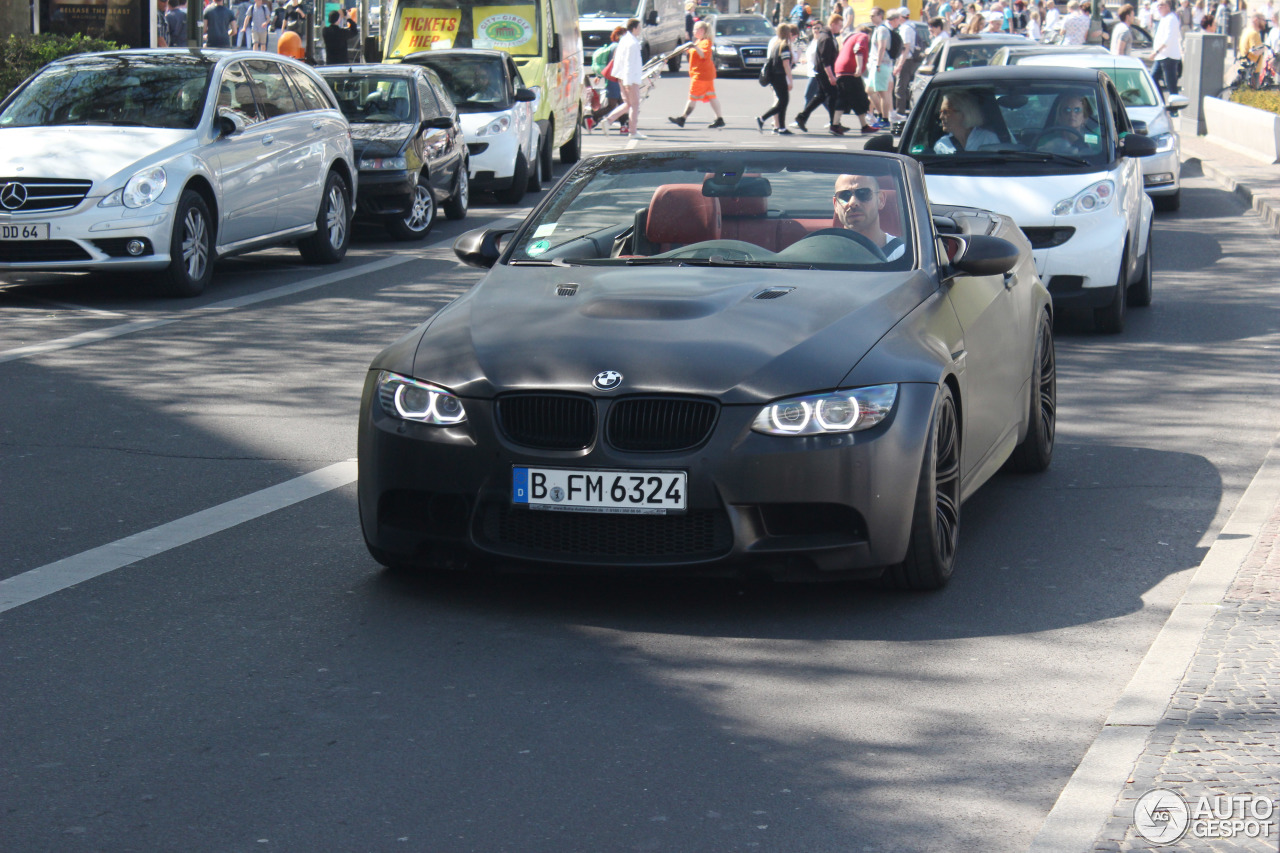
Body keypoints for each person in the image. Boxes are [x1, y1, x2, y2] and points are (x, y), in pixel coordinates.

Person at [832, 173, 906, 260]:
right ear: (836, 205)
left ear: (881, 200)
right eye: (844, 196)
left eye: (863, 193)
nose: (852, 202)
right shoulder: (824, 253)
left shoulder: (902, 255)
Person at [792, 14, 843, 132]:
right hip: (825, 72)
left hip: (822, 72)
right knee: (832, 96)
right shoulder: (826, 38)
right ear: (833, 24)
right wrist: (831, 76)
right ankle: (834, 124)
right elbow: (825, 60)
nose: (840, 28)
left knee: (821, 96)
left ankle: (803, 117)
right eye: (839, 25)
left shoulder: (827, 36)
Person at [669, 20, 726, 127]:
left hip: (701, 75)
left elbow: (703, 54)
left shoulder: (705, 42)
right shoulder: (699, 41)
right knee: (711, 96)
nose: (693, 31)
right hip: (704, 74)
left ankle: (682, 118)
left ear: (702, 30)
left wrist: (693, 46)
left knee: (692, 97)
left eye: (695, 29)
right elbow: (689, 50)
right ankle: (719, 119)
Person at [603, 18, 645, 137]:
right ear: (635, 28)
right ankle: (633, 131)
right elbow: (629, 63)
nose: (640, 30)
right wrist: (628, 81)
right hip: (630, 78)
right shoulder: (632, 43)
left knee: (628, 103)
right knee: (634, 104)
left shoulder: (624, 41)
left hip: (623, 77)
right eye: (639, 27)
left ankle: (608, 121)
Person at [833, 21, 876, 132]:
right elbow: (858, 49)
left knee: (848, 97)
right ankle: (836, 125)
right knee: (856, 97)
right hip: (850, 71)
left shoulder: (850, 37)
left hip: (841, 69)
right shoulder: (863, 36)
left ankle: (837, 124)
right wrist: (859, 66)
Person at [758, 22, 796, 133]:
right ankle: (762, 118)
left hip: (774, 77)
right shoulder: (784, 46)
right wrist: (790, 79)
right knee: (783, 102)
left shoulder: (776, 44)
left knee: (782, 102)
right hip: (779, 76)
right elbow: (786, 64)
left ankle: (782, 127)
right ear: (787, 33)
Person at [933, 89, 998, 152]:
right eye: (940, 112)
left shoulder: (988, 139)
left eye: (945, 112)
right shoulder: (942, 145)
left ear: (963, 113)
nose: (940, 117)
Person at [589, 26, 626, 129]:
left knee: (622, 104)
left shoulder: (613, 46)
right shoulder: (617, 47)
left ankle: (624, 126)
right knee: (613, 105)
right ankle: (594, 116)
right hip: (614, 81)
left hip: (614, 80)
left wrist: (599, 76)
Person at [864, 7, 893, 126]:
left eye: (873, 15)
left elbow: (882, 47)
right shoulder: (877, 29)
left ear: (880, 16)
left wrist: (878, 64)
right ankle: (881, 115)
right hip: (876, 64)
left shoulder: (882, 30)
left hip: (881, 64)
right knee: (869, 90)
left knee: (882, 92)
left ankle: (884, 119)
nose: (871, 17)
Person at [891, 7, 920, 120]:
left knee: (900, 88)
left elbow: (905, 48)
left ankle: (900, 113)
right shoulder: (910, 26)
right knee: (904, 87)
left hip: (906, 61)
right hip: (908, 61)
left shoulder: (905, 29)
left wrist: (899, 65)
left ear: (900, 18)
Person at [1151, 0, 1183, 94]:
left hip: (1168, 57)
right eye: (1158, 5)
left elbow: (1167, 39)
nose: (1158, 7)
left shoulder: (1171, 19)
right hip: (1161, 56)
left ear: (1167, 6)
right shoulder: (1164, 18)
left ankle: (1174, 107)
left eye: (1161, 5)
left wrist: (1156, 51)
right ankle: (1161, 102)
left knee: (1171, 84)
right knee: (1152, 79)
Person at [1238, 12, 1267, 83]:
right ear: (1256, 20)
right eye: (1263, 20)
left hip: (1245, 66)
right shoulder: (1254, 33)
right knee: (1253, 93)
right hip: (1252, 70)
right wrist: (1264, 47)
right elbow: (1255, 51)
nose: (1265, 23)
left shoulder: (1246, 31)